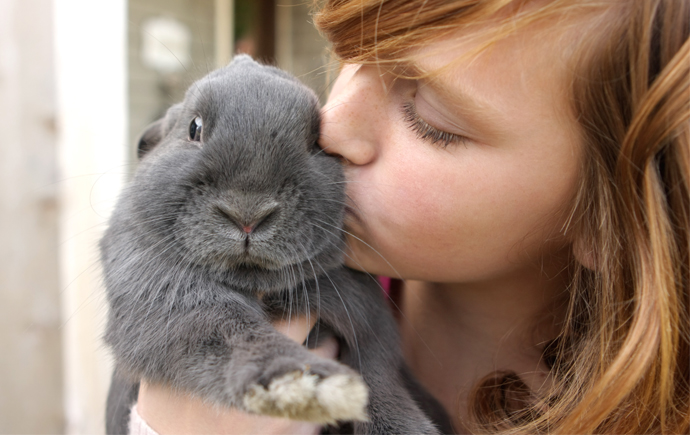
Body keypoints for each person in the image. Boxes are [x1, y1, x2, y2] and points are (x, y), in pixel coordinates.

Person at [132, 0, 690, 433]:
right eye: (353, 54)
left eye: (430, 118)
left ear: (612, 216)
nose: (330, 124)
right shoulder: (236, 295)